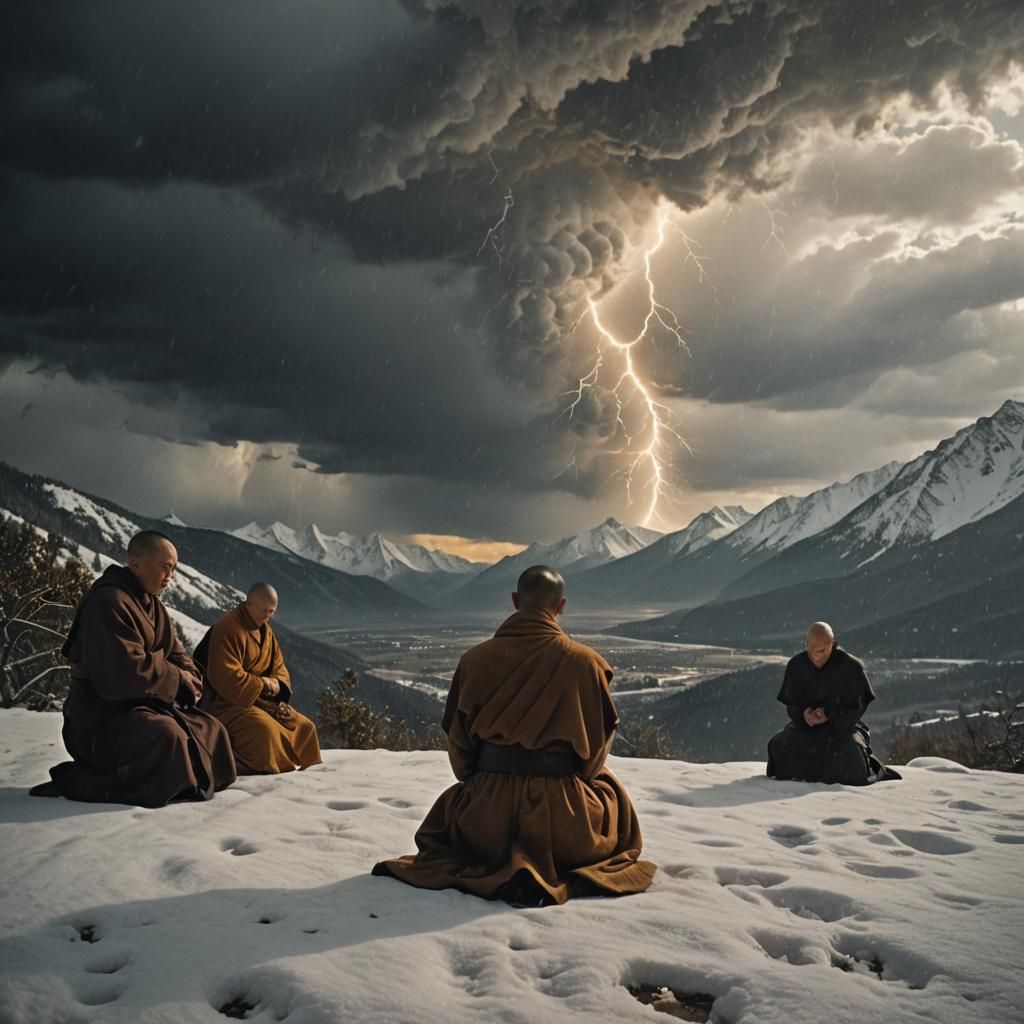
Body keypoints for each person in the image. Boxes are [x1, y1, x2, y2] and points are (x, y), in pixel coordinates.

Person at [372, 565, 656, 905]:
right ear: (561, 606)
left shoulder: (474, 661)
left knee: (452, 808)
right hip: (566, 830)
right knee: (610, 791)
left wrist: (490, 786)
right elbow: (592, 761)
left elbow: (461, 758)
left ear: (515, 600)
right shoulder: (586, 663)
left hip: (485, 827)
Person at [31, 531, 237, 806]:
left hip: (140, 706)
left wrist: (188, 676)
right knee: (168, 736)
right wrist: (177, 678)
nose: (170, 576)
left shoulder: (153, 605)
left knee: (211, 728)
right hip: (99, 717)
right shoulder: (107, 602)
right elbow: (122, 672)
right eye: (165, 567)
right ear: (136, 563)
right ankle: (86, 781)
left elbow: (176, 652)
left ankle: (186, 781)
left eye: (173, 569)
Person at [193, 583, 322, 774]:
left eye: (272, 612)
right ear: (249, 604)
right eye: (264, 611)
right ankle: (255, 767)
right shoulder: (227, 628)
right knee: (266, 732)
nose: (267, 616)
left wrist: (277, 685)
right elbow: (227, 676)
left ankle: (310, 774)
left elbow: (279, 667)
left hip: (260, 699)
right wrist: (262, 684)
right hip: (227, 703)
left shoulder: (265, 631)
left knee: (305, 727)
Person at [766, 621, 899, 785]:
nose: (816, 656)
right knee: (779, 745)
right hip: (806, 728)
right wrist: (804, 714)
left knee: (847, 752)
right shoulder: (796, 665)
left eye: (821, 651)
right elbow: (792, 704)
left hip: (841, 730)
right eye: (811, 650)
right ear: (805, 644)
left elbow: (856, 708)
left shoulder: (850, 667)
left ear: (833, 644)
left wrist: (829, 715)